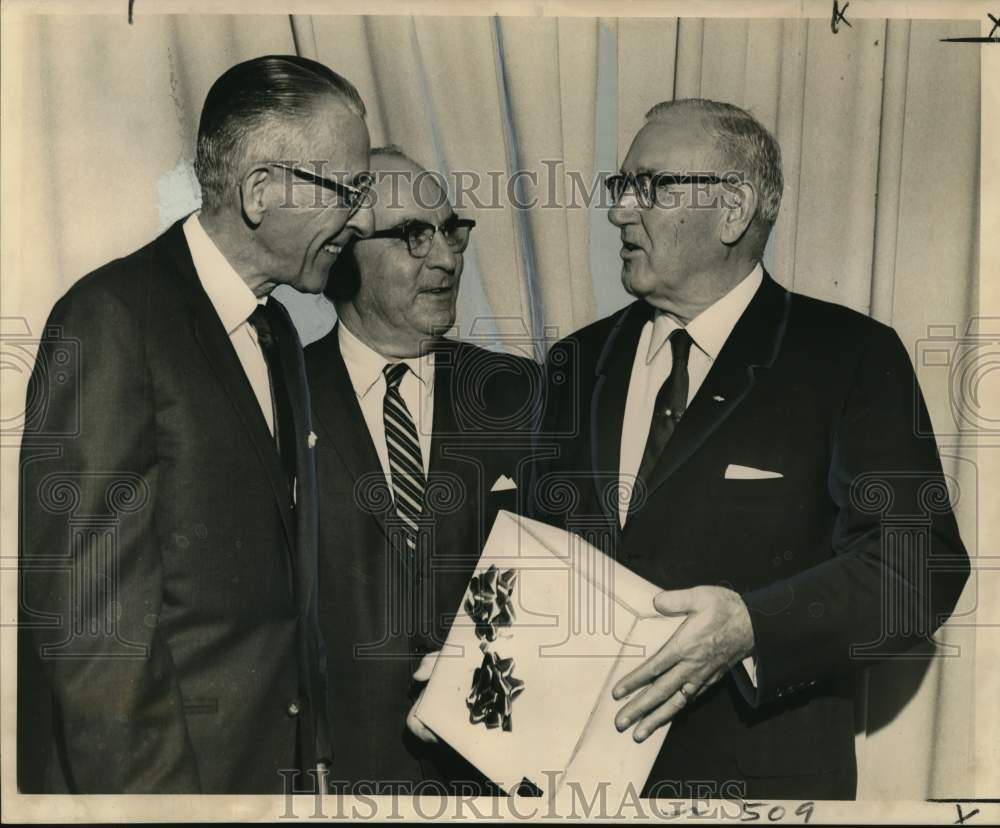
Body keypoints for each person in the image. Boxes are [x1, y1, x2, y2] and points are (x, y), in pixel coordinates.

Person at [532, 98, 970, 800]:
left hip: (759, 788)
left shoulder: (847, 356)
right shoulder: (576, 362)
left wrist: (752, 627)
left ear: (733, 207)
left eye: (651, 187)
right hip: (573, 787)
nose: (619, 213)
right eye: (622, 188)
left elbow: (921, 568)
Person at [17, 55, 374, 794]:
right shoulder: (112, 320)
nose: (360, 216)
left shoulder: (274, 330)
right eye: (347, 188)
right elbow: (93, 641)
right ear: (259, 191)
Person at [305, 146, 541, 792]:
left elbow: (578, 584)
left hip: (494, 781)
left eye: (450, 230)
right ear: (343, 255)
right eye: (413, 235)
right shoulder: (276, 397)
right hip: (338, 785)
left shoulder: (520, 396)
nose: (446, 258)